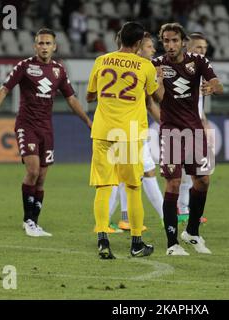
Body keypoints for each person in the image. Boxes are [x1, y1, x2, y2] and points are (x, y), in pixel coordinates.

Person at [0, 28, 93, 237]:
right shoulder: (25, 66)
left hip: (46, 128)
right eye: (41, 43)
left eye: (48, 43)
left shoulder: (59, 70)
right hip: (27, 125)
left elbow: (71, 99)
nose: (44, 47)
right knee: (32, 170)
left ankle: (34, 222)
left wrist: (87, 120)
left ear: (54, 46)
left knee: (41, 178)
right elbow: (4, 89)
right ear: (35, 46)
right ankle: (28, 222)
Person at [86, 22, 164, 259]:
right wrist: (158, 79)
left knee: (103, 187)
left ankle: (102, 240)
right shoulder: (146, 66)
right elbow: (155, 96)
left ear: (119, 38)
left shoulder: (101, 61)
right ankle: (136, 244)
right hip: (128, 135)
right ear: (139, 43)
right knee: (132, 187)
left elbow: (90, 96)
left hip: (103, 132)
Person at [152, 23, 223, 256]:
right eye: (166, 41)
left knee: (203, 180)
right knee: (172, 183)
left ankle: (192, 232)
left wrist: (212, 87)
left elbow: (218, 85)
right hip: (171, 131)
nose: (170, 45)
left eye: (174, 40)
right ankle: (172, 244)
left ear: (183, 41)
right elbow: (159, 98)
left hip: (195, 131)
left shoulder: (198, 61)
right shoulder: (157, 65)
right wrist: (159, 83)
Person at [108, 32, 164, 233]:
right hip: (130, 130)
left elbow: (149, 102)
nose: (154, 50)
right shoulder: (142, 69)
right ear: (138, 48)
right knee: (140, 173)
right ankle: (165, 217)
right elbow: (155, 100)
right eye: (149, 47)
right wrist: (159, 79)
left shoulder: (119, 66)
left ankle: (119, 219)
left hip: (120, 128)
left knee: (126, 175)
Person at [177, 32, 213, 224]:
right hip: (179, 124)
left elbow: (198, 103)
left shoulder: (201, 70)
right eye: (199, 47)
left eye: (205, 48)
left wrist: (204, 120)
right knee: (182, 170)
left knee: (195, 171)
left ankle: (186, 208)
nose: (203, 51)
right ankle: (181, 207)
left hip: (196, 125)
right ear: (187, 47)